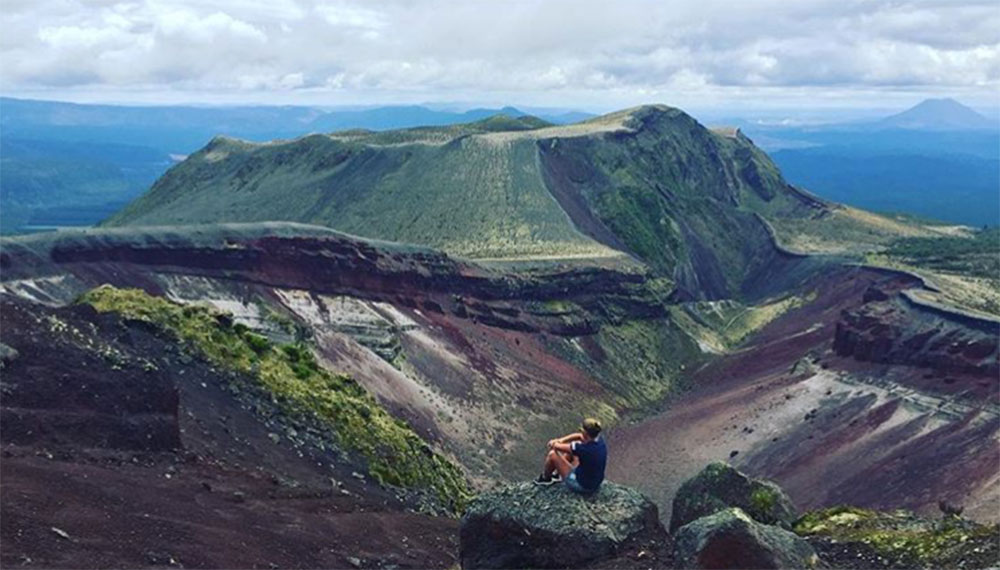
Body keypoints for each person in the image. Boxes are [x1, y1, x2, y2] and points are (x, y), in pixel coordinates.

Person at [534, 417, 606, 494]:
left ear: (585, 433)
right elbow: (578, 437)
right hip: (594, 482)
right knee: (572, 450)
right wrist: (561, 440)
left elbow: (556, 447)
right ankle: (557, 474)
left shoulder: (583, 449)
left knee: (553, 455)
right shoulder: (599, 440)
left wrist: (554, 442)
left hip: (582, 485)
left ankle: (545, 479)